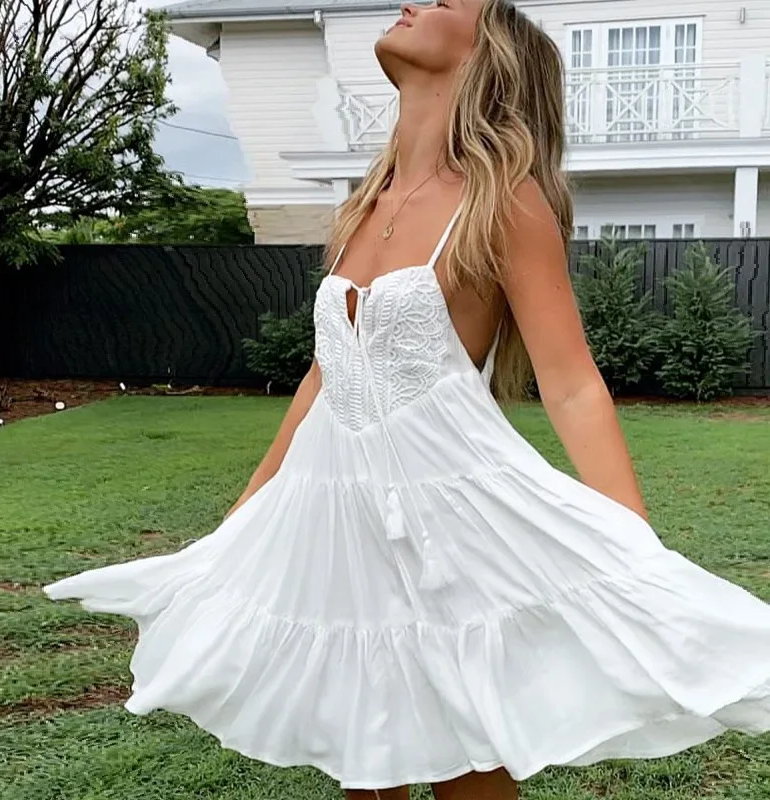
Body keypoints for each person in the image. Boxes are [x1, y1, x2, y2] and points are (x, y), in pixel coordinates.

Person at [43, 2, 770, 799]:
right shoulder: (364, 203)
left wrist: (634, 547)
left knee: (466, 763)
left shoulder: (503, 200)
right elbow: (324, 375)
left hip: (447, 521)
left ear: (485, 51)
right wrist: (245, 510)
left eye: (447, 0)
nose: (413, 3)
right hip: (336, 522)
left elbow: (569, 381)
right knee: (366, 755)